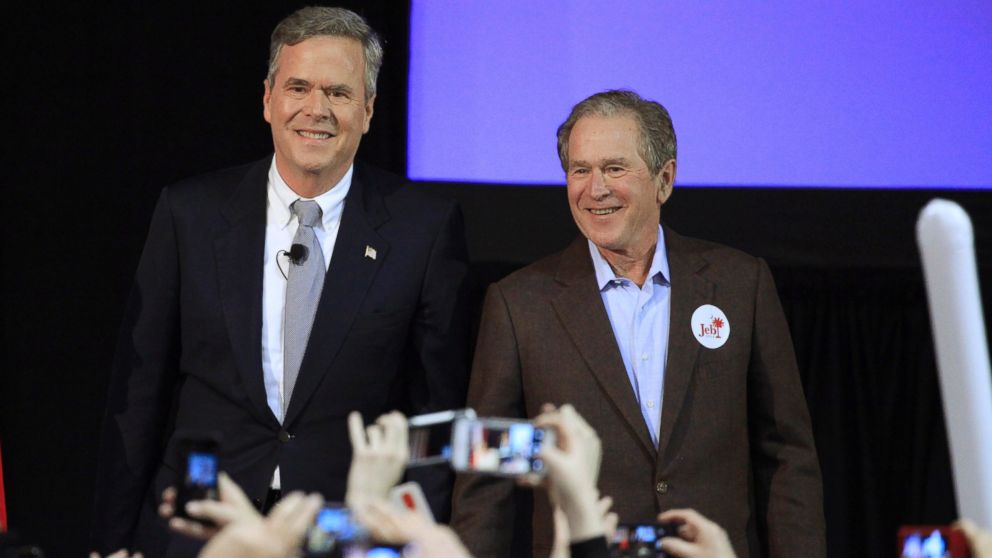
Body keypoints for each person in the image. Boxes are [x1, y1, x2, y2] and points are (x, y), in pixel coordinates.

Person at [91, 7, 470, 557]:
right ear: (268, 98)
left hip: (346, 532)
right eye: (298, 87)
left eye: (339, 93)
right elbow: (138, 396)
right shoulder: (190, 213)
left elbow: (433, 414)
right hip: (201, 529)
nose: (316, 110)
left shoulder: (424, 229)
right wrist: (110, 542)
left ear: (367, 110)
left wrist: (411, 543)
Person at [451, 90, 825, 558]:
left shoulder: (738, 284)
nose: (595, 189)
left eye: (614, 168)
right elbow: (487, 481)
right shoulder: (518, 304)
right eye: (579, 170)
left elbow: (787, 455)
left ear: (664, 179)